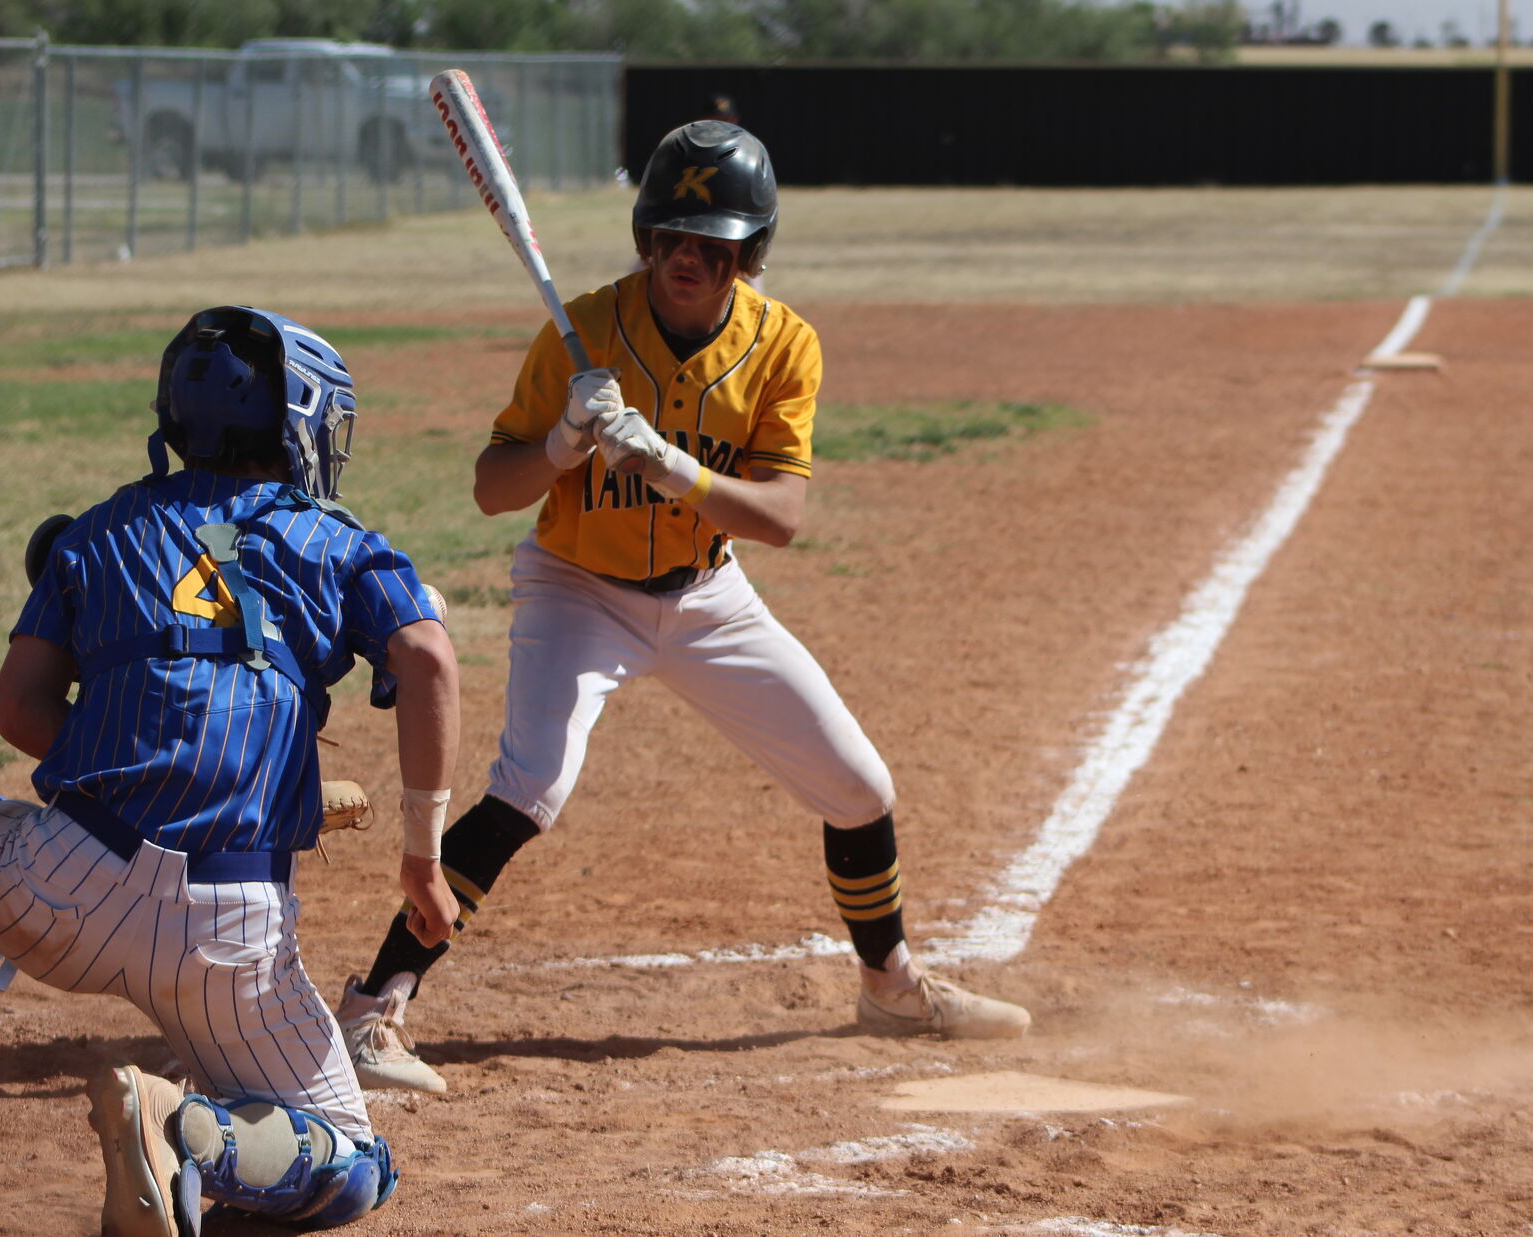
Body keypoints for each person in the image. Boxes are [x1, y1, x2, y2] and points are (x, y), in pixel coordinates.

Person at [336, 121, 1029, 1097]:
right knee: (532, 785)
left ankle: (890, 986)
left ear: (748, 252)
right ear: (645, 236)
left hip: (707, 595)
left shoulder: (781, 344)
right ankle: (375, 1009)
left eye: (710, 244)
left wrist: (673, 469)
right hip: (576, 589)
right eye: (668, 238)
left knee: (858, 788)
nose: (685, 260)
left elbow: (780, 518)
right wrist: (563, 447)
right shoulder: (580, 331)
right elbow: (494, 490)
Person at [0, 306, 463, 1235]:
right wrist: (421, 859)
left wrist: (131, 767)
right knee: (352, 1161)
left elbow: (20, 708)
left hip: (63, 881)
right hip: (230, 939)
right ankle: (187, 1130)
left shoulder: (97, 529)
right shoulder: (336, 539)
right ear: (299, 422)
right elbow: (428, 659)